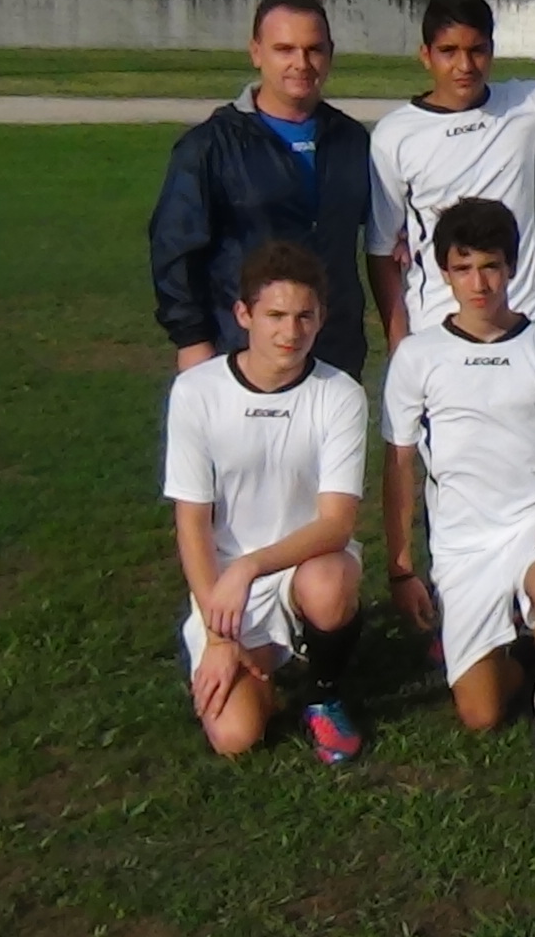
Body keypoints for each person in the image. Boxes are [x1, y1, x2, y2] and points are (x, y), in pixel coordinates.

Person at [380, 200, 535, 764]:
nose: (479, 283)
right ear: (443, 272)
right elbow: (399, 464)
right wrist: (401, 567)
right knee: (480, 715)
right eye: (463, 268)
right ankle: (528, 657)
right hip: (462, 543)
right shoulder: (418, 356)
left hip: (534, 521)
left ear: (512, 267)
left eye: (491, 266)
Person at [163, 241, 367, 762]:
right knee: (236, 738)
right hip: (226, 587)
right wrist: (217, 634)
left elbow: (337, 524)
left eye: (304, 316)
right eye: (275, 315)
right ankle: (261, 665)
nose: (290, 332)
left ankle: (323, 694)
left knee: (330, 580)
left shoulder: (339, 393)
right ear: (243, 314)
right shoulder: (197, 392)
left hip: (301, 564)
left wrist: (250, 566)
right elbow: (191, 522)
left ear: (322, 318)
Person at [150, 0, 370, 378]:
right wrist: (191, 339)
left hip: (334, 353)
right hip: (241, 352)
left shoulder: (352, 139)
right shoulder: (209, 146)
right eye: (284, 49)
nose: (301, 63)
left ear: (330, 54)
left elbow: (383, 223)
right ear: (256, 52)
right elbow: (175, 250)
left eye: (313, 50)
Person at [366, 0, 535, 350]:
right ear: (425, 55)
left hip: (523, 329)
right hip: (436, 331)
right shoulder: (394, 135)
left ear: (491, 51)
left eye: (477, 50)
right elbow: (382, 249)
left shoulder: (529, 104)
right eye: (448, 52)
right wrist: (398, 341)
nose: (465, 66)